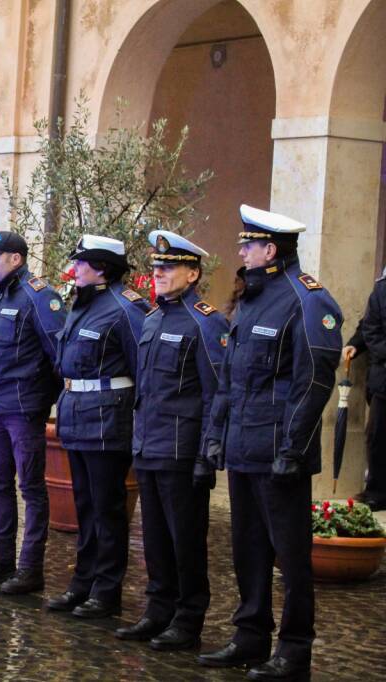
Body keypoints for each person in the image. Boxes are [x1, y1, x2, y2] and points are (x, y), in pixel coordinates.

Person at [197, 205, 342, 681]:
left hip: (281, 452)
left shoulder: (307, 300)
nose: (240, 251)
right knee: (248, 550)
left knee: (292, 557)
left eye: (248, 244)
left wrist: (293, 449)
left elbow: (314, 383)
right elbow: (232, 380)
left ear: (270, 250)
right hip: (244, 447)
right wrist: (217, 436)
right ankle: (250, 635)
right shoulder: (254, 298)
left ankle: (295, 648)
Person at [116, 231, 226, 651]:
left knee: (186, 541)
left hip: (183, 451)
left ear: (193, 273)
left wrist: (207, 453)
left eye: (168, 268)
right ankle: (158, 610)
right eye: (156, 268)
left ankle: (188, 617)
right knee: (156, 539)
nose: (158, 274)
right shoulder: (155, 317)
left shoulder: (206, 321)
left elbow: (217, 393)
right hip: (149, 445)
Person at [48, 235, 149, 617]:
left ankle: (107, 590)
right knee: (85, 506)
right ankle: (83, 582)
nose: (76, 270)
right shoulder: (82, 305)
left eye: (83, 264)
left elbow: (143, 371)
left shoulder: (126, 309)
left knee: (107, 508)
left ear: (102, 269)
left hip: (109, 419)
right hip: (77, 414)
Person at [0, 230, 65, 594]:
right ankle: (0, 557)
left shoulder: (39, 297)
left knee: (31, 487)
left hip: (23, 408)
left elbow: (59, 356)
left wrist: (40, 400)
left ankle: (29, 567)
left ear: (16, 259)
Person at [341, 273, 386, 512]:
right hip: (383, 379)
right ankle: (377, 493)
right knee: (378, 437)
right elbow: (370, 328)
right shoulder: (381, 290)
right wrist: (356, 343)